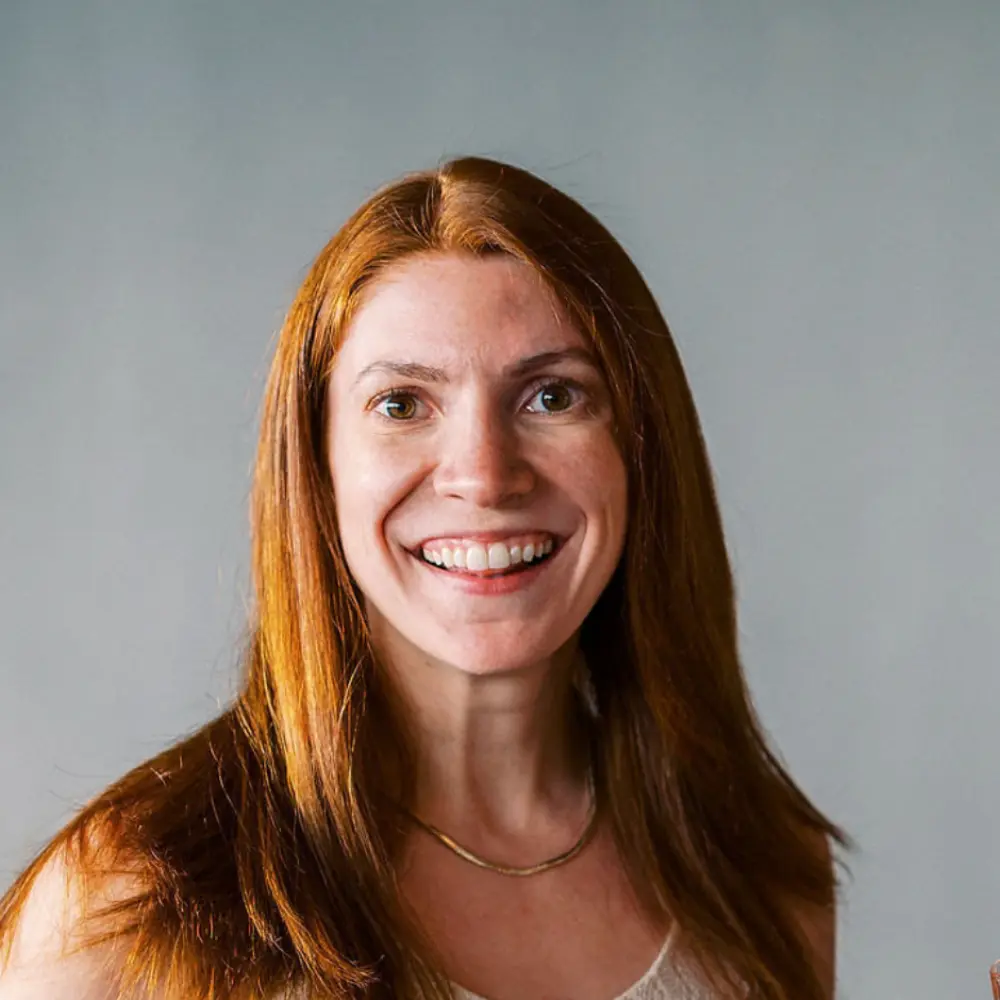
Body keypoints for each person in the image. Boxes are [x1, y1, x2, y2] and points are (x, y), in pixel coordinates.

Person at [0, 156, 850, 1000]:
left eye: (553, 396)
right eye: (402, 404)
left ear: (639, 451)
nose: (483, 476)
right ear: (318, 466)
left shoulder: (764, 876)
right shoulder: (129, 907)